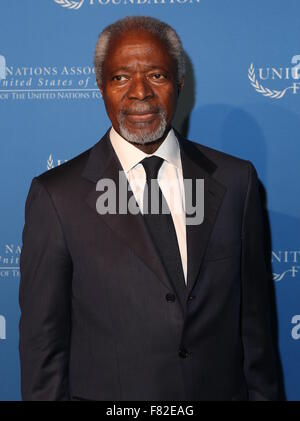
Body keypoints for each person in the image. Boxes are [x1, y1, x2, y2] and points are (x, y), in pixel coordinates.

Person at [19, 15, 280, 401]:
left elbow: (256, 334)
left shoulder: (237, 181)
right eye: (120, 77)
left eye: (156, 75)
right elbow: (44, 350)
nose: (139, 92)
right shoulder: (56, 196)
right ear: (101, 88)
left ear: (179, 82)